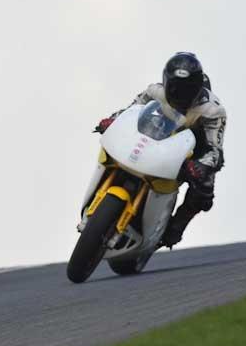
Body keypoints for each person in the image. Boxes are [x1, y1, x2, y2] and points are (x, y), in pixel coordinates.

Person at [95, 52, 227, 248]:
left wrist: (200, 166)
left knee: (204, 193)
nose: (179, 93)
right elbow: (130, 111)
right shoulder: (155, 91)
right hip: (159, 133)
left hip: (195, 152)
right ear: (166, 80)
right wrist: (112, 121)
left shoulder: (213, 111)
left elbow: (215, 151)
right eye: (175, 87)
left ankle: (175, 229)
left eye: (187, 89)